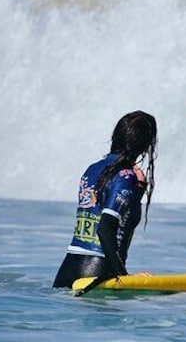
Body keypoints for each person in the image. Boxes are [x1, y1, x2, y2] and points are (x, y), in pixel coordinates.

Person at [53, 110, 158, 288]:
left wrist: (138, 191)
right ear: (144, 146)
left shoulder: (92, 169)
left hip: (68, 270)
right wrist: (124, 277)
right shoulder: (126, 177)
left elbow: (114, 218)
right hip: (97, 274)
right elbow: (105, 228)